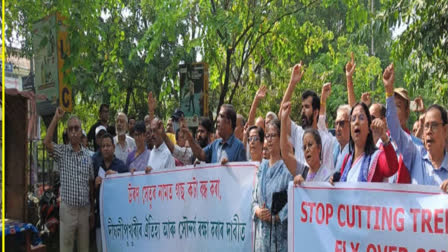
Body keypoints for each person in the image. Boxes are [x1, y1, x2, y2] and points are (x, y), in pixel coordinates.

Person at [383, 63, 448, 191]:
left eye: (434, 126)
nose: (429, 131)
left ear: (445, 130)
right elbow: (395, 130)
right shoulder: (414, 154)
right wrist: (389, 91)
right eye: (426, 126)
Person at [44, 107, 94, 252]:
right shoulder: (62, 152)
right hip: (68, 210)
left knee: (84, 248)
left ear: (81, 131)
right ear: (67, 132)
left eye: (76, 128)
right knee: (66, 248)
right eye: (70, 128)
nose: (73, 131)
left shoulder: (87, 156)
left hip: (84, 210)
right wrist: (56, 118)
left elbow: (90, 183)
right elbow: (47, 142)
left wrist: (91, 210)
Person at [280, 62, 337, 176]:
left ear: (316, 112)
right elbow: (282, 114)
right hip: (299, 189)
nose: (302, 111)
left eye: (306, 107)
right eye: (302, 107)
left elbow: (328, 175)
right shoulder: (298, 132)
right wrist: (292, 83)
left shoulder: (325, 140)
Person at [251, 119, 292, 252]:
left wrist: (276, 217)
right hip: (261, 241)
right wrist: (258, 211)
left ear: (281, 137)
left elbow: (293, 201)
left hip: (279, 239)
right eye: (267, 136)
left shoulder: (288, 169)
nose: (269, 139)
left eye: (273, 135)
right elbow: (253, 200)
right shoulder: (261, 168)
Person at [335, 102, 399, 182]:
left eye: (361, 118)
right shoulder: (347, 159)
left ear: (369, 128)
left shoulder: (376, 157)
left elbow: (392, 168)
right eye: (353, 119)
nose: (356, 122)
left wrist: (384, 137)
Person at [281, 102, 332, 183]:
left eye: (310, 145)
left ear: (319, 148)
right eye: (304, 147)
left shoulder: (328, 176)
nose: (307, 149)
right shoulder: (302, 171)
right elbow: (285, 154)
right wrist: (283, 119)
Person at [93, 133, 128, 252]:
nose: (105, 148)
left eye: (108, 145)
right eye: (103, 146)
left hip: (117, 220)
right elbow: (92, 192)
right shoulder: (97, 166)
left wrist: (117, 177)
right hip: (100, 219)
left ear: (113, 147)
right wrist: (95, 184)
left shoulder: (121, 166)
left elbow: (128, 188)